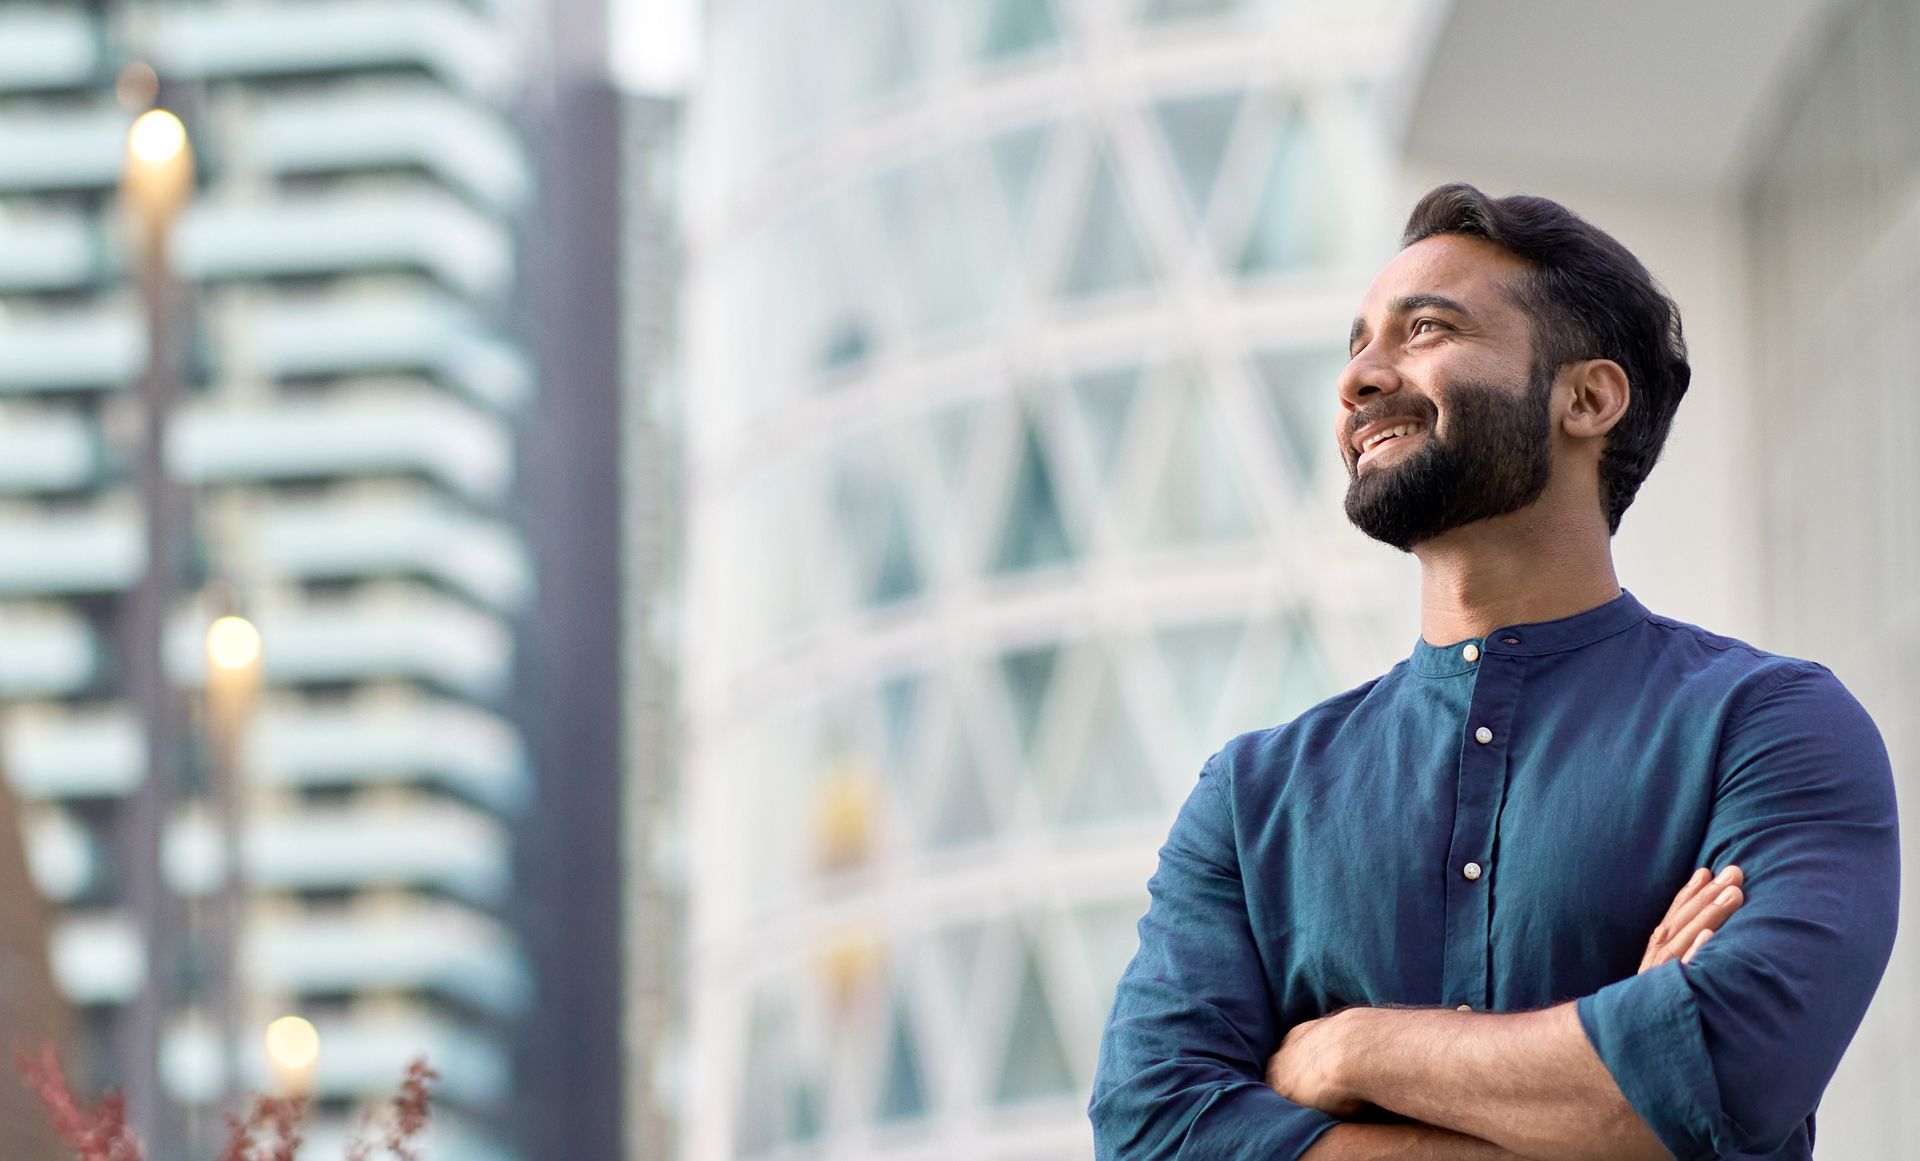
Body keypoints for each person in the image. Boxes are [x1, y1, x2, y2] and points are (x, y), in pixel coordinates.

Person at [1087, 183, 1900, 1161]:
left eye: (1424, 328)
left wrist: (1349, 1052)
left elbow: (1731, 1069)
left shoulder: (1770, 727)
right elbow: (1152, 1132)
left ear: (1587, 398)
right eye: (1356, 346)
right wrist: (1614, 1086)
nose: (1360, 379)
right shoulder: (1254, 795)